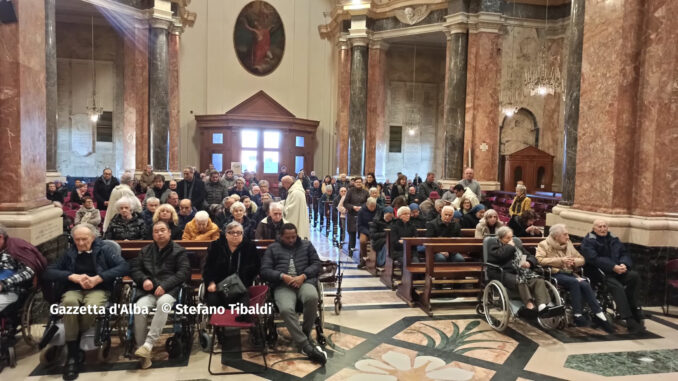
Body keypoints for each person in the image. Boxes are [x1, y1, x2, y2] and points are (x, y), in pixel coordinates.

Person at [44, 224, 129, 380]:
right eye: (77, 240)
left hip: (98, 288)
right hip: (73, 289)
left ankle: (73, 342)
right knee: (69, 305)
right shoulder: (70, 253)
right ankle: (73, 356)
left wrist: (99, 278)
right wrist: (71, 276)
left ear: (93, 238)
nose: (81, 243)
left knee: (92, 308)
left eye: (84, 239)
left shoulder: (105, 249)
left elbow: (124, 266)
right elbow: (49, 271)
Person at [260, 223, 327, 365]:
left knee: (312, 297)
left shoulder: (307, 245)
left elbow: (316, 264)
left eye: (293, 237)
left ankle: (305, 333)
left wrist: (303, 276)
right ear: (281, 236)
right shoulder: (273, 248)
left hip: (304, 281)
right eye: (287, 237)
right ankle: (304, 344)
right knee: (285, 309)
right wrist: (282, 276)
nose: (291, 240)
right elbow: (265, 270)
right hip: (283, 285)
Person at [131, 220, 191, 369]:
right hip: (148, 290)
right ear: (153, 234)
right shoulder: (145, 250)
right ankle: (142, 350)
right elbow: (135, 270)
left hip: (169, 290)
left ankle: (148, 344)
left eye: (163, 230)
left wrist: (165, 285)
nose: (159, 233)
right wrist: (144, 279)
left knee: (163, 304)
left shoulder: (179, 251)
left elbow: (183, 273)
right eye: (156, 231)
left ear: (169, 232)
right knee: (139, 308)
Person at [536, 224, 614, 332]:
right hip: (555, 273)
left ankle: (599, 314)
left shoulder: (568, 244)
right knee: (575, 282)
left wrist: (573, 262)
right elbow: (540, 261)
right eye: (565, 234)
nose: (568, 237)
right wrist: (561, 261)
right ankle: (577, 314)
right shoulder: (544, 244)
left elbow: (581, 259)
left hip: (569, 273)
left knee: (585, 283)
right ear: (556, 236)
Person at [581, 219, 644, 333]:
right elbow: (594, 258)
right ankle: (628, 319)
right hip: (599, 273)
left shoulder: (613, 239)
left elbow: (624, 253)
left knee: (634, 276)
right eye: (599, 227)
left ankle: (634, 309)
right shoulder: (589, 241)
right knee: (617, 286)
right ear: (594, 228)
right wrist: (612, 266)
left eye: (605, 226)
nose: (603, 229)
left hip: (617, 270)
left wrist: (624, 264)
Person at [486, 226, 561, 318]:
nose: (511, 240)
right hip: (502, 272)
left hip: (521, 271)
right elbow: (501, 256)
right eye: (507, 238)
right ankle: (529, 305)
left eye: (511, 237)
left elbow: (531, 256)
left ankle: (542, 306)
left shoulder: (517, 246)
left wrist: (529, 263)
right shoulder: (494, 246)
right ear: (501, 238)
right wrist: (509, 246)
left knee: (538, 279)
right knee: (520, 280)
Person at [203, 221, 260, 314]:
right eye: (231, 232)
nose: (235, 235)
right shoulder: (215, 246)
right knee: (213, 304)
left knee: (244, 310)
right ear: (226, 235)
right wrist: (210, 282)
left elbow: (256, 267)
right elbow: (207, 267)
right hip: (218, 286)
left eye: (238, 232)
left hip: (241, 286)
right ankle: (218, 326)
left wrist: (246, 281)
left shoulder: (250, 247)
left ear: (242, 234)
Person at [0, 226, 36, 313]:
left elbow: (29, 271)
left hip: (11, 290)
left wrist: (4, 284)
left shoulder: (16, 247)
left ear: (1, 237)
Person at [344, 177, 370, 253]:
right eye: (357, 182)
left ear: (362, 183)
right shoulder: (350, 191)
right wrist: (353, 207)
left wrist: (362, 207)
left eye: (360, 182)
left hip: (362, 216)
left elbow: (368, 202)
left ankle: (362, 252)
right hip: (352, 214)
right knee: (352, 233)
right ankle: (351, 251)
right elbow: (345, 203)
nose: (358, 183)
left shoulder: (365, 192)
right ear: (354, 183)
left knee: (362, 233)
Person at [280, 175, 310, 240]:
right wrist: (282, 203)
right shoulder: (294, 191)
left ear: (287, 183)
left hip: (297, 223)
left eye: (283, 184)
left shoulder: (296, 193)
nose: (283, 186)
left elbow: (291, 211)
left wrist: (281, 209)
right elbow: (289, 203)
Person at [356, 197, 378, 268]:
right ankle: (364, 258)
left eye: (374, 206)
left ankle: (377, 260)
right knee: (362, 241)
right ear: (367, 204)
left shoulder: (378, 210)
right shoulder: (361, 211)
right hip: (365, 230)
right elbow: (359, 225)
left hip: (375, 229)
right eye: (371, 206)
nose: (372, 208)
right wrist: (368, 232)